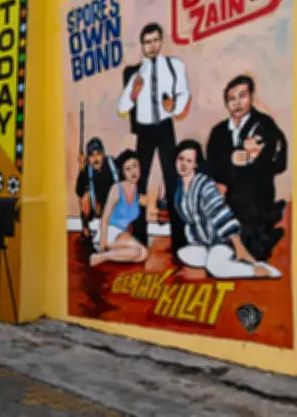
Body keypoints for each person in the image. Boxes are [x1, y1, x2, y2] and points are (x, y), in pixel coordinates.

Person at [117, 22, 191, 252]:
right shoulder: (135, 73)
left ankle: (180, 240)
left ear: (161, 41)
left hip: (166, 128)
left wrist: (174, 106)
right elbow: (122, 106)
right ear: (142, 45)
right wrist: (134, 93)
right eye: (147, 42)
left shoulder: (174, 65)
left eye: (155, 40)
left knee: (173, 182)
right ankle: (139, 236)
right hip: (145, 131)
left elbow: (184, 94)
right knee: (139, 182)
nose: (152, 45)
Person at [206, 75, 288, 262]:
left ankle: (267, 229)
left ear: (251, 96)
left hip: (255, 197)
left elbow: (280, 160)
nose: (237, 103)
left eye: (242, 96)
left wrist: (256, 159)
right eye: (231, 99)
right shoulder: (218, 131)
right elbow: (211, 164)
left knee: (254, 252)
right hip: (228, 197)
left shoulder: (264, 125)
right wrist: (230, 161)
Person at [173, 139, 280, 279]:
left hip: (222, 240)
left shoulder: (205, 184)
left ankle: (257, 270)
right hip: (202, 243)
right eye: (181, 159)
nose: (183, 164)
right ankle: (215, 258)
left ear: (195, 164)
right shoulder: (179, 189)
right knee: (184, 254)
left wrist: (240, 248)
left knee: (216, 268)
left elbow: (221, 215)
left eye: (189, 160)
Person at [90, 150, 148, 267]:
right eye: (128, 169)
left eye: (135, 166)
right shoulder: (117, 188)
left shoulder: (138, 193)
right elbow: (105, 217)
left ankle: (105, 256)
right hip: (107, 233)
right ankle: (100, 256)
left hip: (120, 233)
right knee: (141, 252)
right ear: (123, 172)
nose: (133, 171)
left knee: (143, 254)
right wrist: (103, 242)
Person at [74, 137, 119, 240]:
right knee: (85, 198)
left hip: (114, 206)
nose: (96, 159)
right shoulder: (87, 169)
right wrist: (81, 170)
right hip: (97, 208)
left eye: (98, 154)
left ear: (103, 154)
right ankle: (86, 228)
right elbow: (79, 192)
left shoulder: (113, 164)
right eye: (92, 156)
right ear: (88, 158)